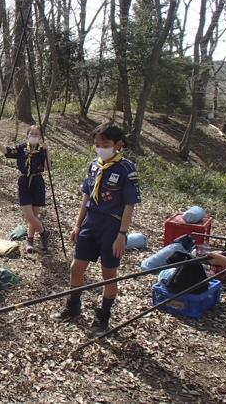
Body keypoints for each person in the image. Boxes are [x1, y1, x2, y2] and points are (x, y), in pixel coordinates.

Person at [50, 121, 141, 336]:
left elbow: (129, 205)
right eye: (97, 143)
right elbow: (86, 196)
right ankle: (73, 306)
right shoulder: (94, 165)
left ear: (118, 144)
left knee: (108, 273)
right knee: (76, 267)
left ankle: (103, 317)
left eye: (105, 143)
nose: (100, 147)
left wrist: (122, 235)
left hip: (112, 226)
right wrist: (77, 224)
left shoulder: (126, 169)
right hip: (91, 222)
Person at [0, 126, 52, 253]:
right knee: (28, 215)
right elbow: (7, 151)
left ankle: (30, 240)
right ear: (27, 135)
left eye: (37, 134)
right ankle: (44, 233)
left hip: (37, 182)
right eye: (32, 133)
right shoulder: (21, 148)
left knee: (34, 215)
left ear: (40, 137)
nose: (34, 136)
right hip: (24, 182)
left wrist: (47, 152)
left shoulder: (42, 150)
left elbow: (47, 167)